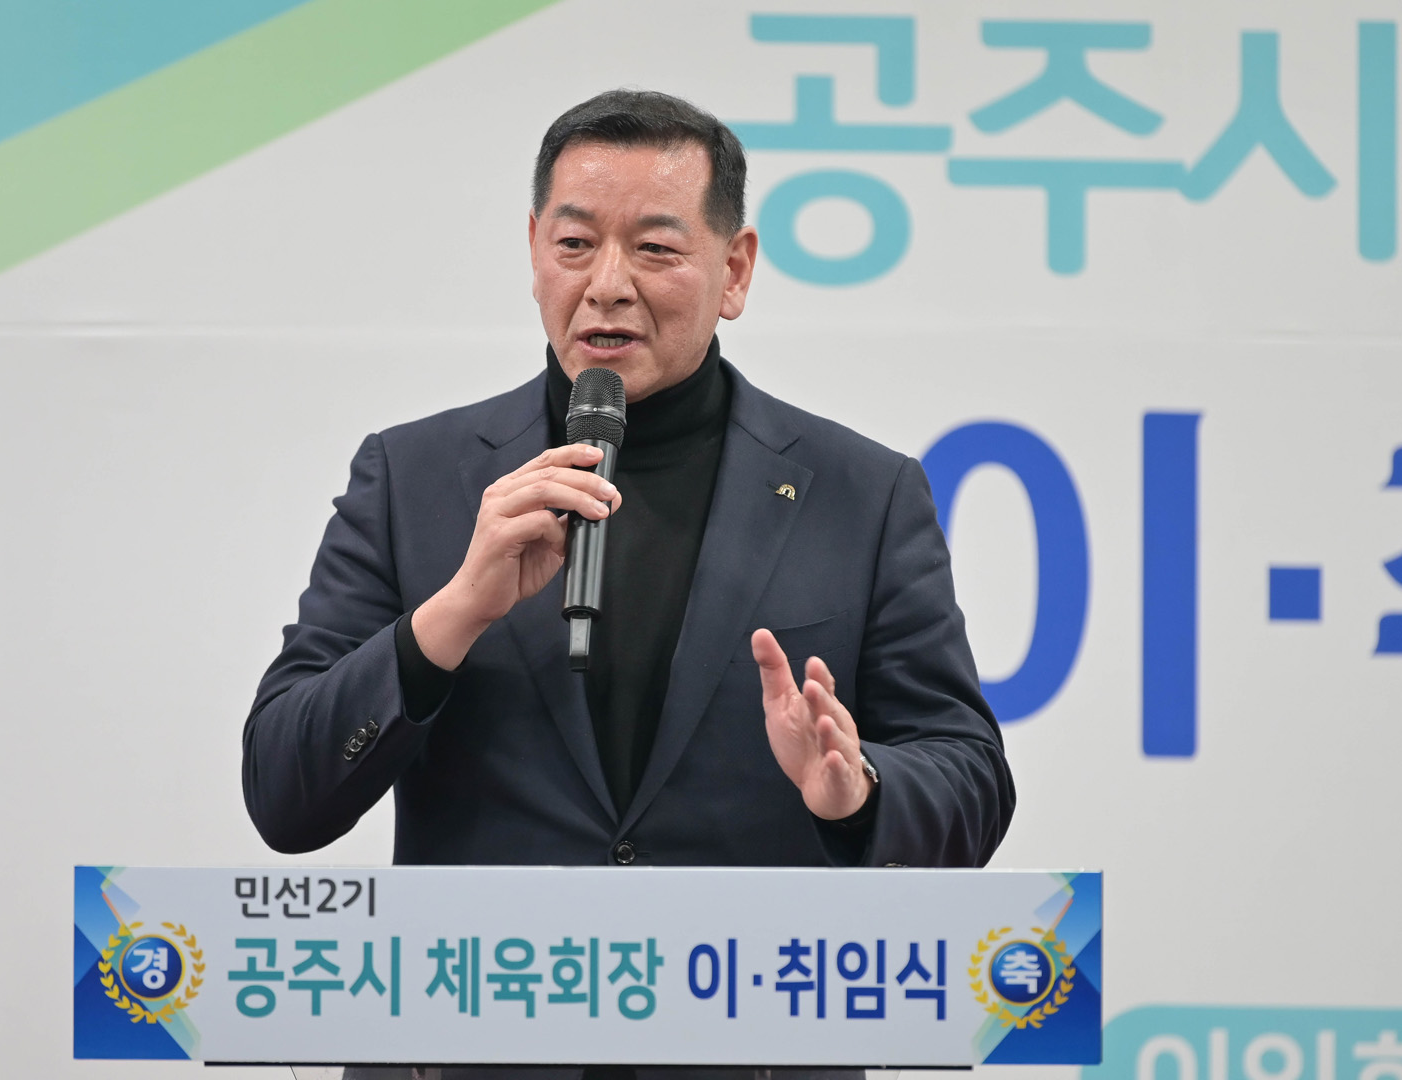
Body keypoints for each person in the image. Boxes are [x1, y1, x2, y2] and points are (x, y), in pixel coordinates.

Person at [242, 90, 1015, 1079]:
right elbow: (284, 794)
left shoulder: (864, 494)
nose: (607, 286)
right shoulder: (414, 478)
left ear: (735, 270)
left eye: (654, 249)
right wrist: (451, 616)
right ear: (534, 251)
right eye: (575, 245)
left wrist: (856, 791)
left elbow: (969, 777)